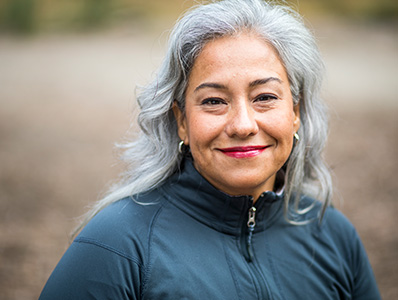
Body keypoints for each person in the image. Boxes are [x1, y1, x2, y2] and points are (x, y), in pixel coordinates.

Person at [39, 0, 381, 299]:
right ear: (181, 121)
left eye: (265, 97)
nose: (243, 125)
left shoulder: (334, 236)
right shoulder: (116, 246)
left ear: (295, 112)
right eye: (214, 101)